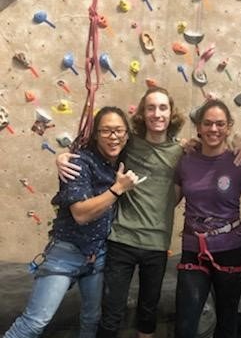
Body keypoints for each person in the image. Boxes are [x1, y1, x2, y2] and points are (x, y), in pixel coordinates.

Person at [57, 87, 185, 338]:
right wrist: (62, 157)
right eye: (151, 107)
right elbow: (92, 151)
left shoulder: (182, 152)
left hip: (157, 244)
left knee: (148, 313)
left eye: (163, 107)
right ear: (142, 113)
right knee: (112, 312)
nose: (157, 113)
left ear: (171, 113)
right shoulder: (128, 144)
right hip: (121, 241)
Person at [4, 106, 139, 338]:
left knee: (91, 319)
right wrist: (117, 189)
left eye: (119, 130)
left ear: (127, 134)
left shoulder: (120, 162)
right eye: (106, 131)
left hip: (97, 256)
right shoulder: (78, 162)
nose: (113, 136)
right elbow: (81, 214)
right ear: (95, 134)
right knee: (34, 323)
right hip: (65, 255)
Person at [174, 99, 241, 338]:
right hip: (193, 249)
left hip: (230, 250)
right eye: (207, 124)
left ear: (229, 127)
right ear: (198, 127)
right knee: (185, 323)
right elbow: (170, 200)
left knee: (227, 320)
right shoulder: (186, 160)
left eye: (220, 124)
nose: (213, 129)